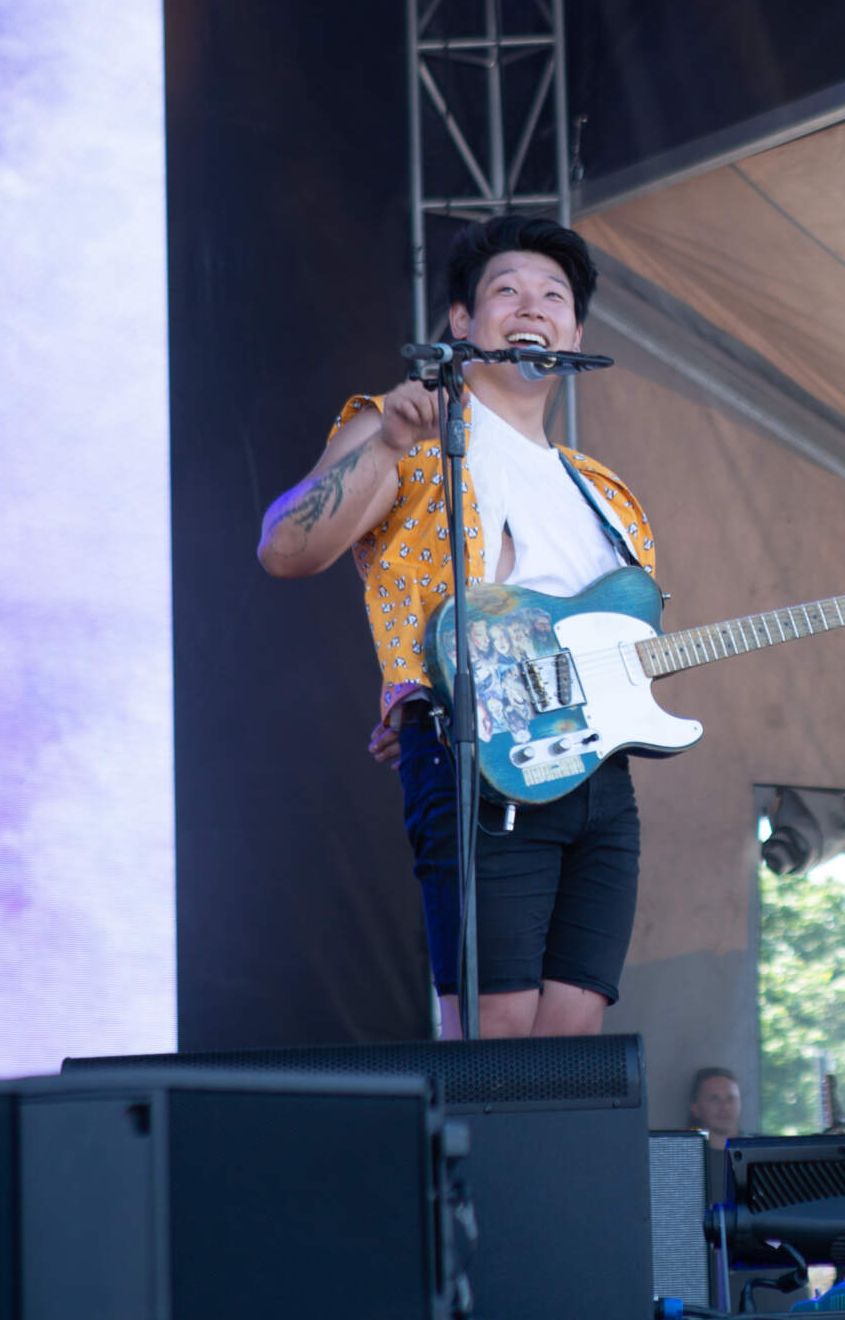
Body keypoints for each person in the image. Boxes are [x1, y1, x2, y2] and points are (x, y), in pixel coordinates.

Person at [258, 216, 656, 1039]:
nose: (531, 306)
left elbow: (626, 651)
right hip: (479, 760)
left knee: (574, 1037)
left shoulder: (606, 492)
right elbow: (285, 547)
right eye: (505, 290)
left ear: (576, 332)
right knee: (495, 1034)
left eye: (553, 295)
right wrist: (388, 448)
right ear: (462, 322)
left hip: (598, 777)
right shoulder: (411, 427)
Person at [687, 1066, 743, 1143]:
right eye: (714, 1099)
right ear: (695, 1109)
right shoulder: (686, 1153)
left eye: (730, 1099)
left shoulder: (759, 1149)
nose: (725, 1107)